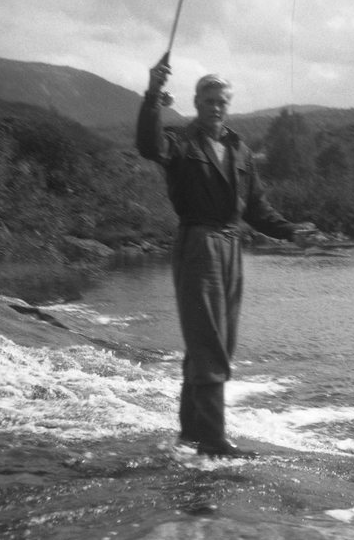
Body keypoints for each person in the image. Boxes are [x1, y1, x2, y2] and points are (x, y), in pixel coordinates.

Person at [136, 60, 322, 457]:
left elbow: (257, 209)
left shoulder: (240, 150)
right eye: (208, 100)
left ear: (228, 105)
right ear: (196, 102)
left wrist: (292, 232)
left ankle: (190, 432)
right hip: (198, 242)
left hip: (232, 246)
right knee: (207, 341)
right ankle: (212, 439)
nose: (215, 107)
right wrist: (152, 95)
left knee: (221, 341)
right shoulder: (179, 141)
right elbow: (147, 146)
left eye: (221, 101)